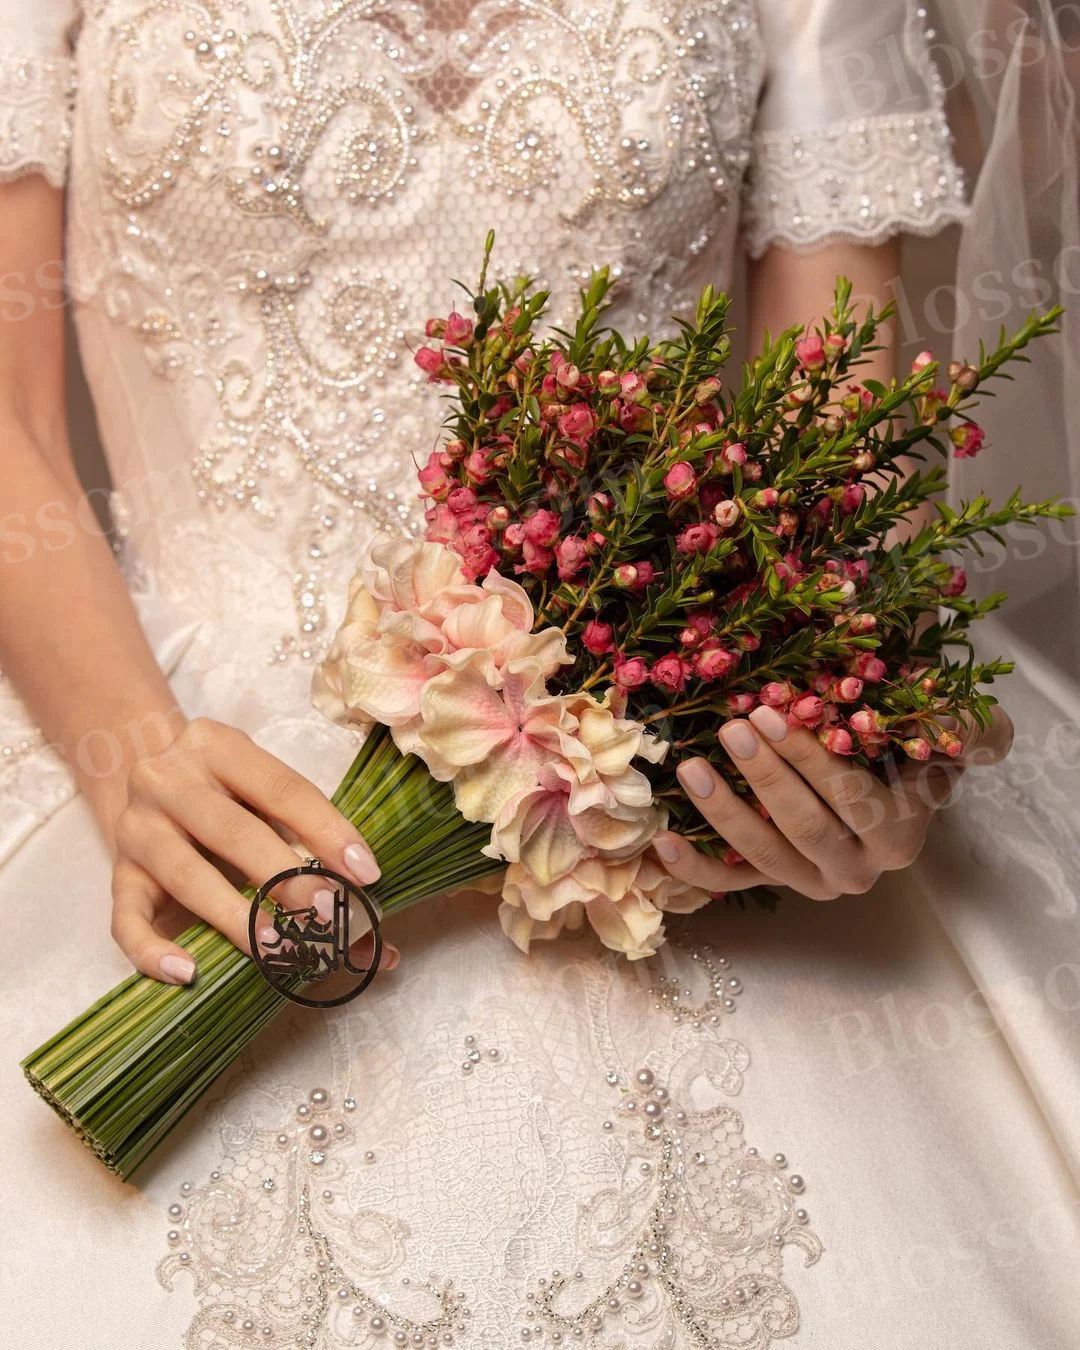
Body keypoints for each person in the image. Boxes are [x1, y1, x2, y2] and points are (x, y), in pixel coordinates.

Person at [0, 2, 1077, 1346]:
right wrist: (133, 754)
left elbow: (837, 476)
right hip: (169, 730)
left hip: (650, 761)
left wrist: (862, 758)